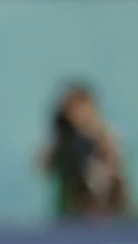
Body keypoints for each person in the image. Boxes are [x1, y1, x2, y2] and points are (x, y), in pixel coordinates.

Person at [39, 83, 130, 220]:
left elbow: (116, 170)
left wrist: (100, 141)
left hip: (109, 212)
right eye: (74, 109)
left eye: (83, 107)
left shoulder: (104, 135)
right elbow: (43, 166)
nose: (79, 114)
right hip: (72, 211)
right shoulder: (62, 140)